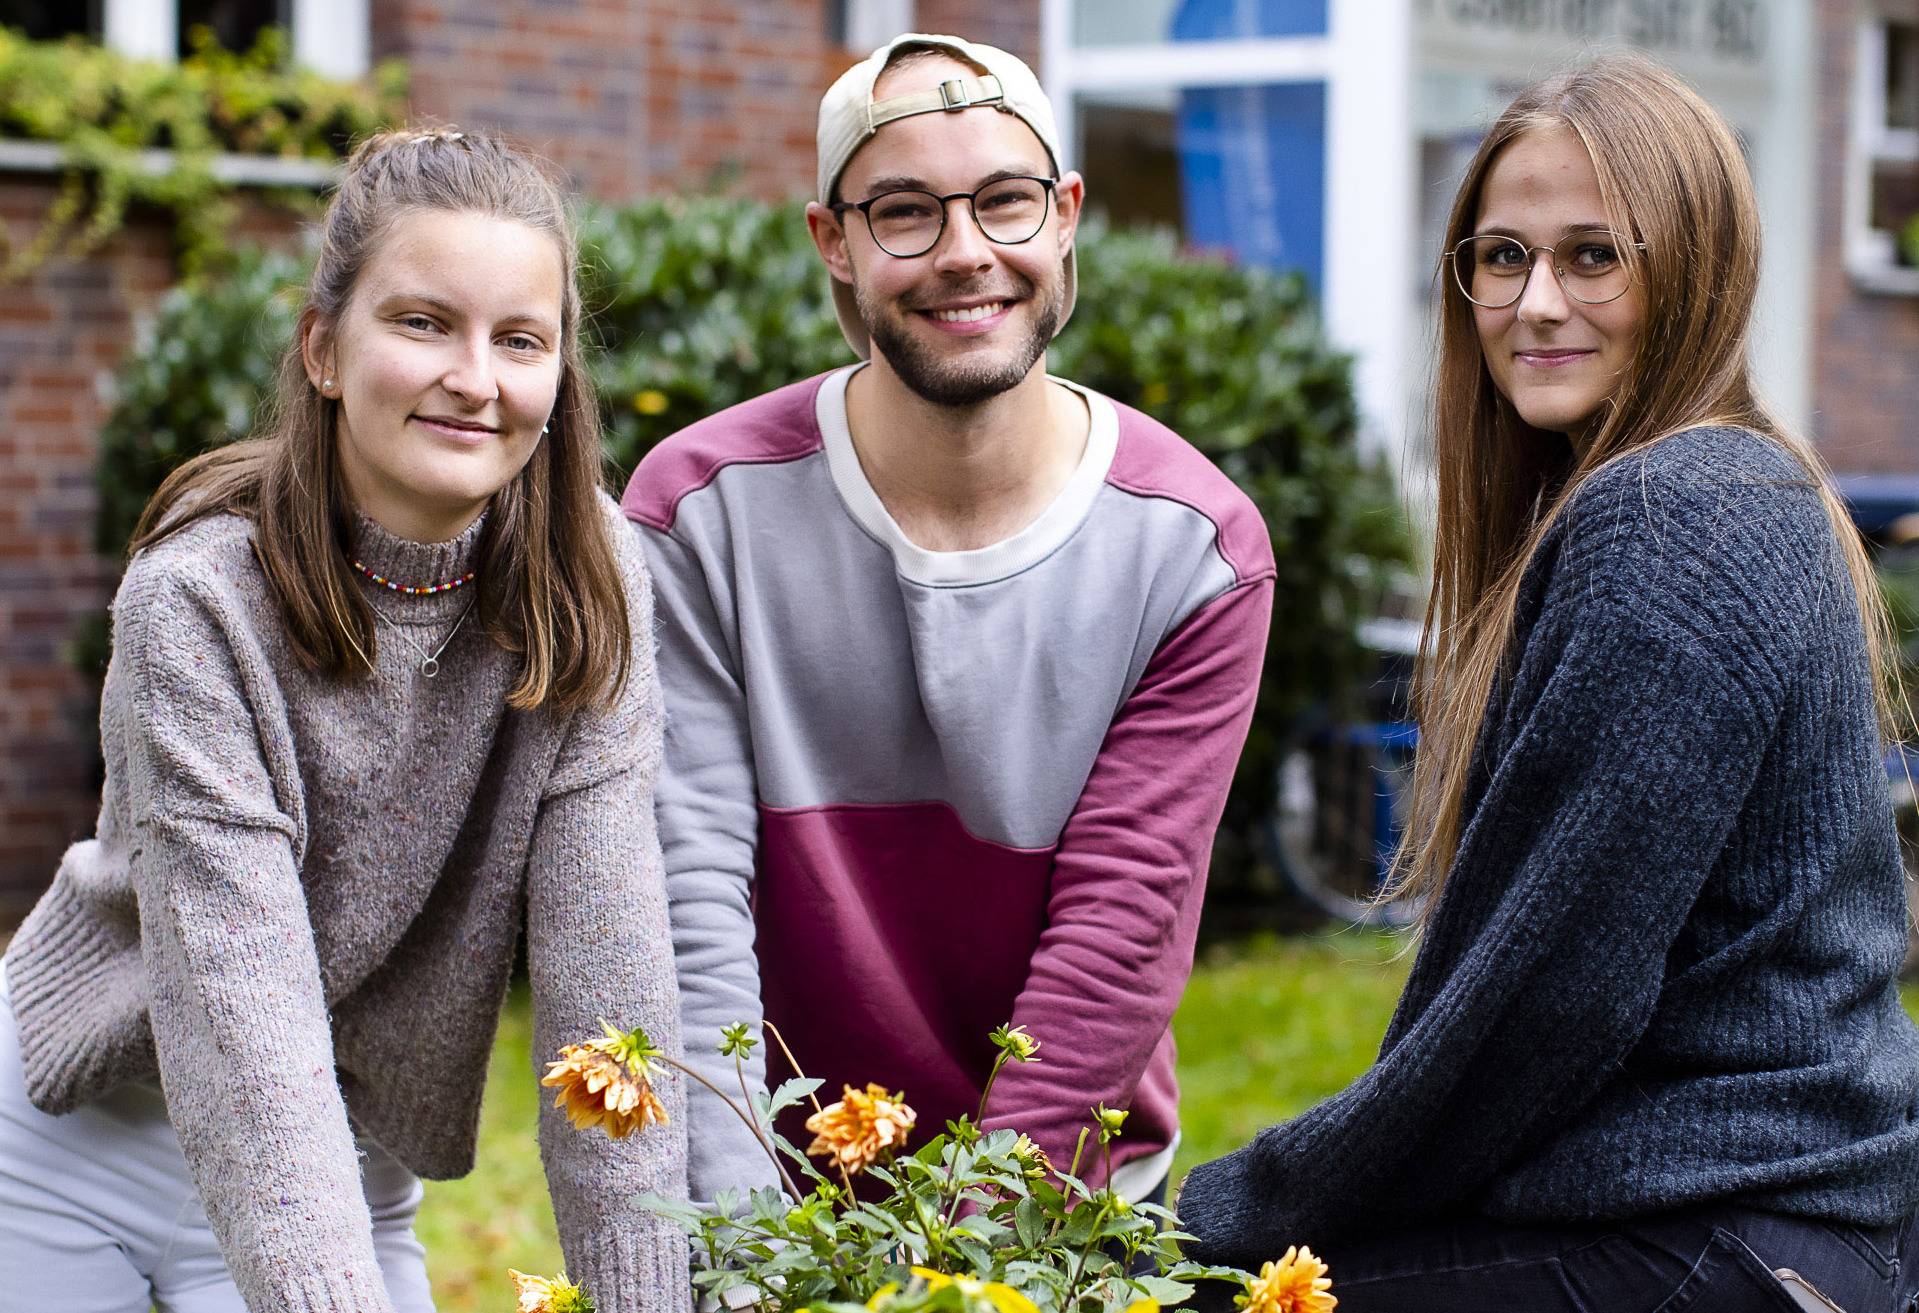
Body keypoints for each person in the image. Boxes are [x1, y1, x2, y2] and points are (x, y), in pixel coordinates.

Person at [1176, 53, 1919, 1312]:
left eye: (1591, 256)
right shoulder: (1733, 487)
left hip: (1728, 1234)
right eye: (1500, 256)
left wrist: (1225, 1218)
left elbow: (1540, 1000)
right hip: (1778, 1223)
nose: (1533, 302)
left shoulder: (1671, 519)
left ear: (1689, 266)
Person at [0, 129, 689, 1311]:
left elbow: (607, 990)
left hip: (344, 1159)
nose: (475, 376)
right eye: (423, 323)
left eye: (518, 339)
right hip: (72, 1150)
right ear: (324, 348)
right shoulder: (200, 598)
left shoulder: (588, 581)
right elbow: (238, 1009)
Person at [624, 33, 1273, 1207]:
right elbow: (688, 902)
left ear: (1066, 214)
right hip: (773, 1195)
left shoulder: (1194, 550)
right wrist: (737, 1242)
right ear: (833, 241)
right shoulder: (697, 512)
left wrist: (959, 1265)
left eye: (1005, 202)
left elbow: (1115, 947)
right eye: (905, 212)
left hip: (1055, 1203)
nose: (966, 253)